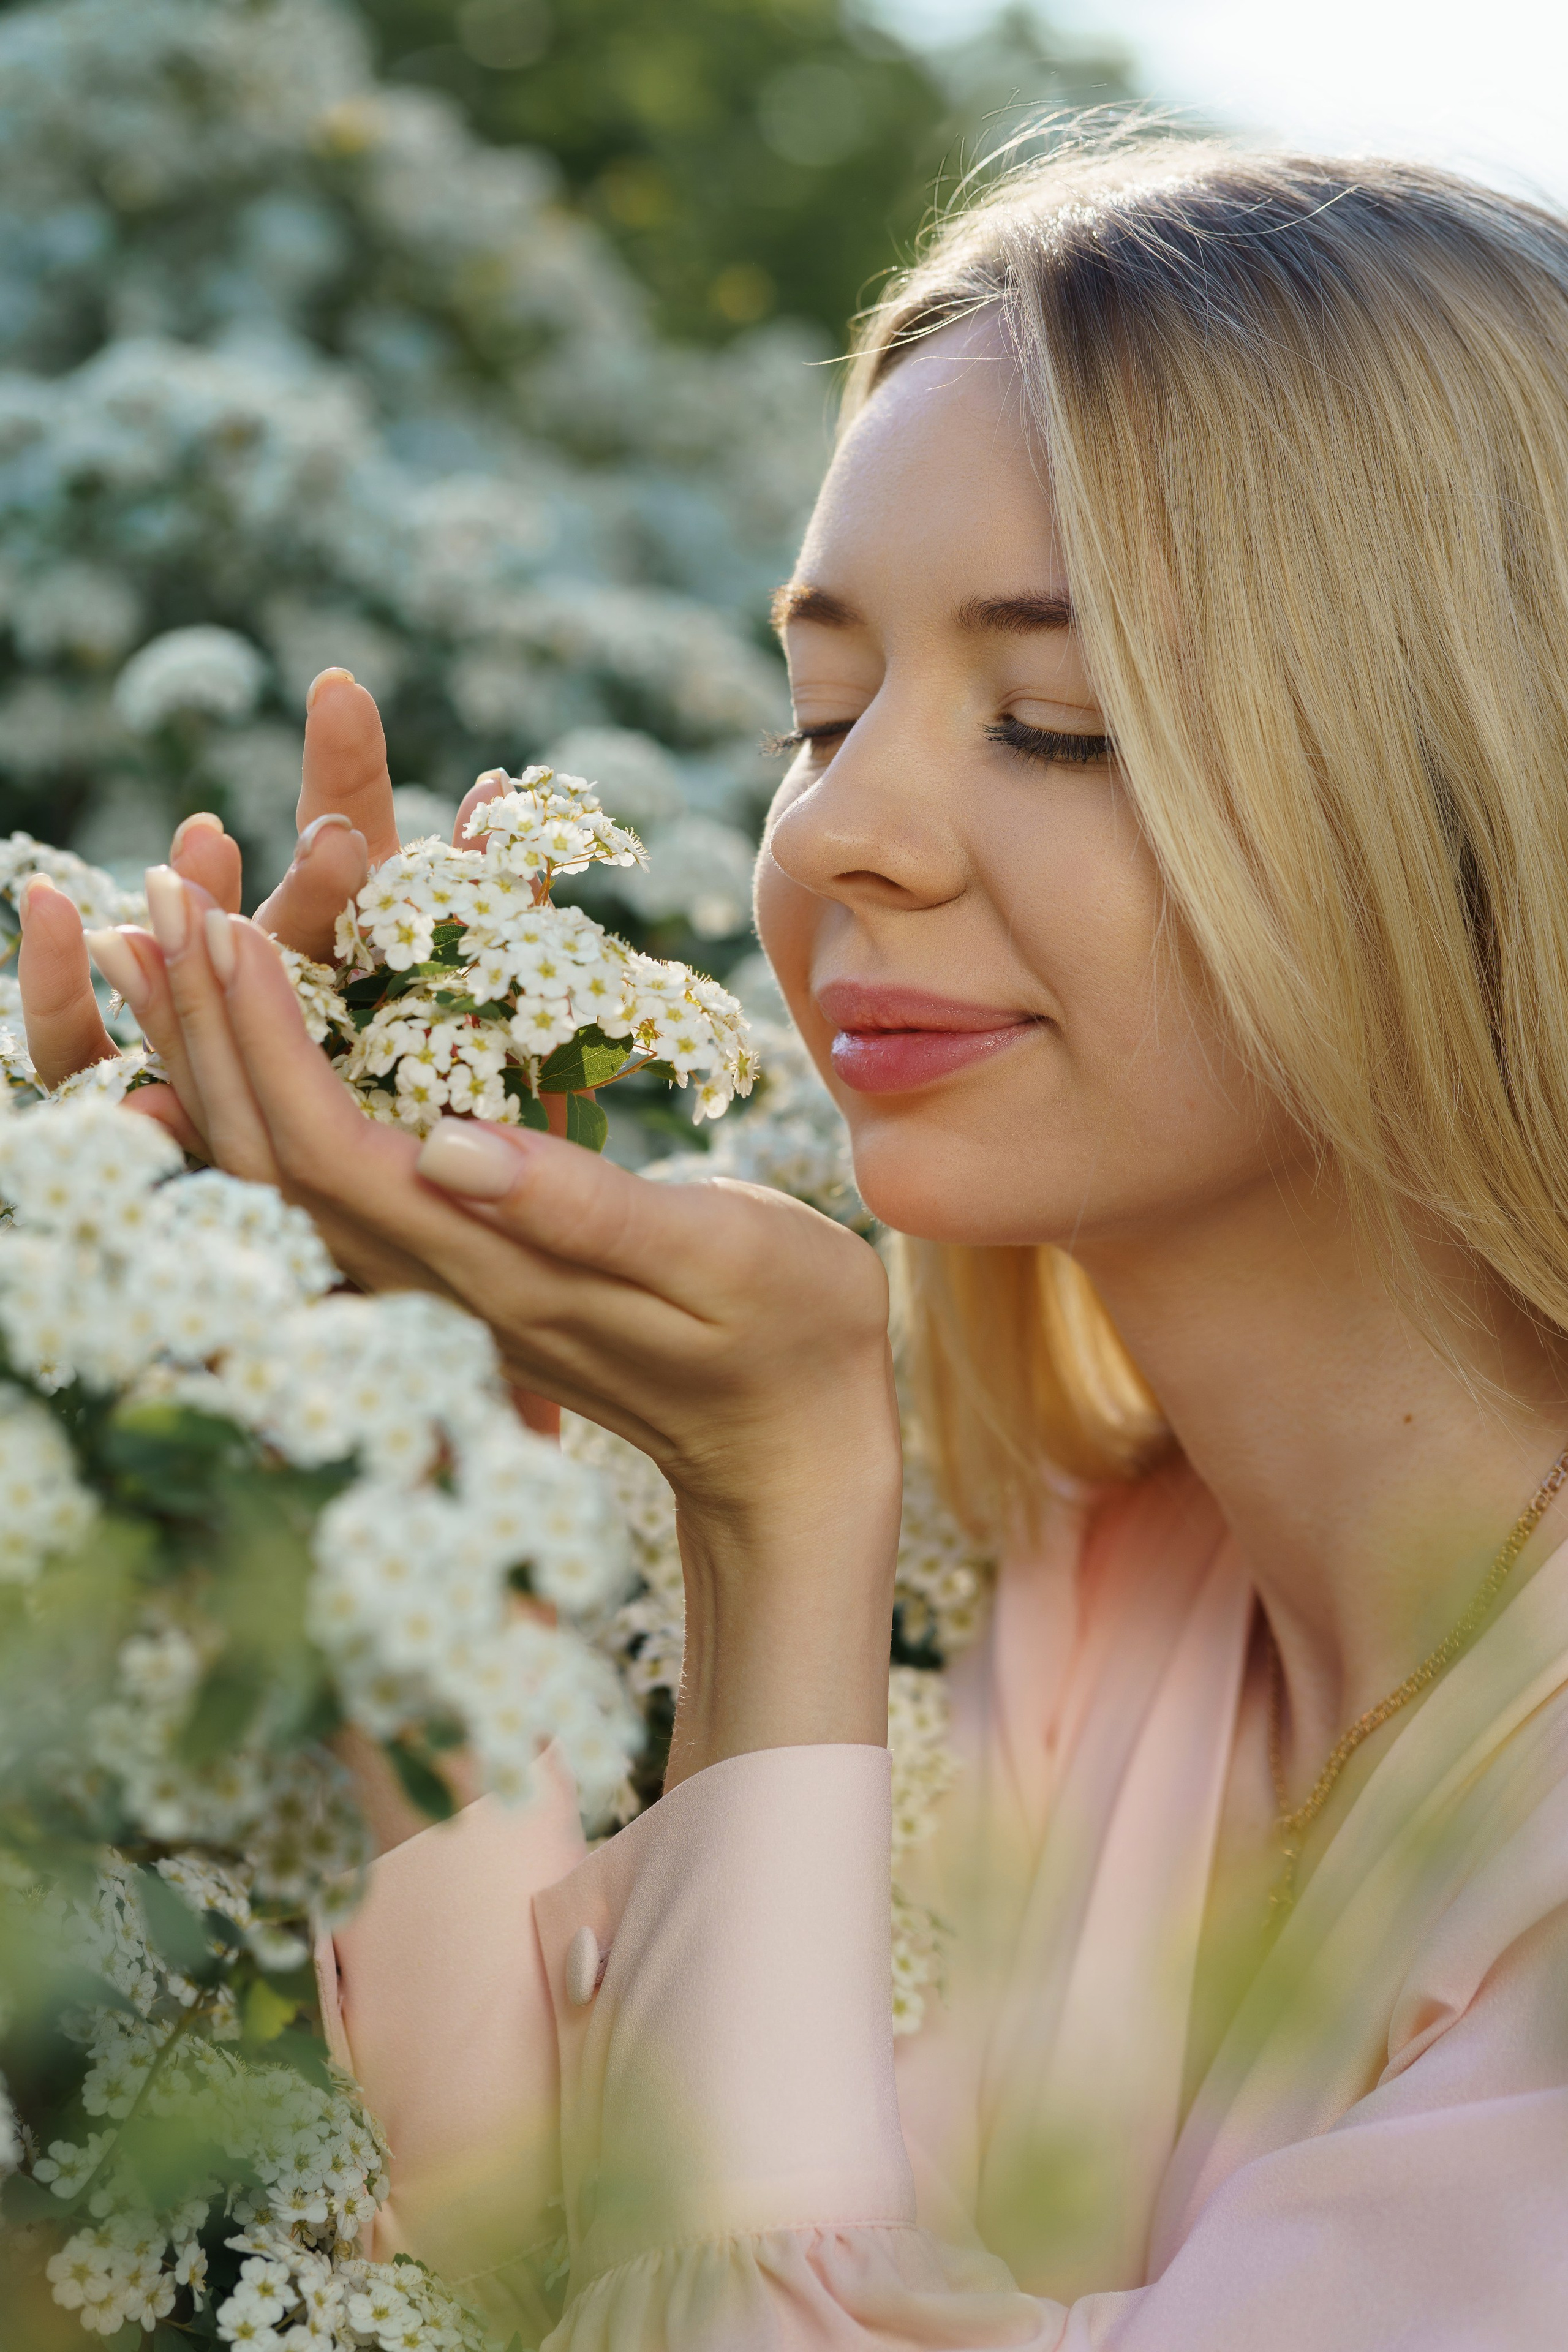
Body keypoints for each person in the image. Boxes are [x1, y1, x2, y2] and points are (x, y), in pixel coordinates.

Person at [25, 137, 1568, 2346]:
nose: (840, 826)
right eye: (820, 713)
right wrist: (404, 1442)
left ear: (1467, 799)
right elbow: (542, 2244)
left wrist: (775, 1501)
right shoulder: (1109, 1598)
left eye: (1056, 724)